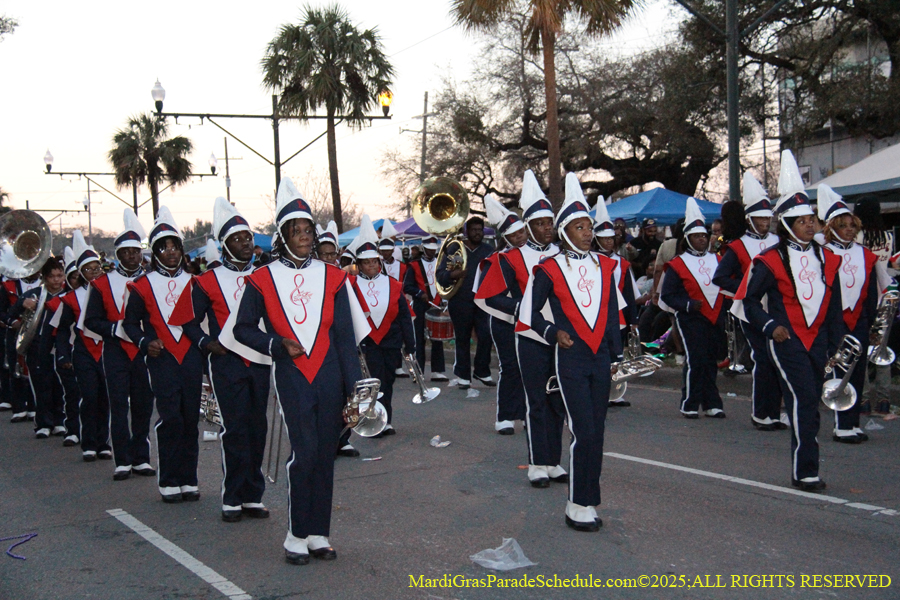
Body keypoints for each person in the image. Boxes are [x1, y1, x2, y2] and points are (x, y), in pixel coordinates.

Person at [233, 177, 369, 565]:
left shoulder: (334, 276)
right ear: (283, 236)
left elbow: (345, 338)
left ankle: (318, 533)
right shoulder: (261, 278)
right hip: (292, 373)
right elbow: (242, 329)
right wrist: (277, 345)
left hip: (330, 373)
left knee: (325, 454)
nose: (306, 236)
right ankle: (296, 533)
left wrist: (356, 389)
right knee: (305, 452)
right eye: (297, 230)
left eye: (309, 229)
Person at [733, 150, 843, 492]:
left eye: (811, 219)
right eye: (802, 220)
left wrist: (838, 345)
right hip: (787, 340)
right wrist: (770, 327)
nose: (810, 225)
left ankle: (807, 462)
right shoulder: (769, 260)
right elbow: (749, 301)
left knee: (811, 401)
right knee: (804, 398)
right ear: (788, 225)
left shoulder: (829, 258)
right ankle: (805, 470)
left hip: (818, 340)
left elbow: (834, 307)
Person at [519, 173, 621, 532]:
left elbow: (611, 314)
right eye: (580, 227)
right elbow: (529, 314)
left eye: (589, 227)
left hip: (600, 358)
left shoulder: (607, 265)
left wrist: (617, 356)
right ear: (564, 232)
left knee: (598, 432)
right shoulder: (548, 269)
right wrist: (553, 332)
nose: (588, 233)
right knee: (583, 431)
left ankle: (589, 500)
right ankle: (576, 504)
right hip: (571, 358)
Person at [170, 197, 273, 521]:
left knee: (258, 427)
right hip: (227, 364)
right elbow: (187, 321)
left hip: (260, 360)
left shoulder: (266, 275)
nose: (245, 243)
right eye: (237, 239)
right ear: (225, 245)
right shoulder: (205, 281)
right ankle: (232, 496)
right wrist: (206, 343)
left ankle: (253, 495)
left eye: (248, 237)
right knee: (235, 429)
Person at [123, 207, 203, 503]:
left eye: (175, 246)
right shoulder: (141, 285)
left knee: (190, 419)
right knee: (171, 419)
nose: (170, 252)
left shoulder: (196, 281)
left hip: (191, 357)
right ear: (155, 253)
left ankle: (189, 479)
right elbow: (129, 324)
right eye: (164, 247)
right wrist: (145, 342)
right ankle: (169, 479)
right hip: (162, 359)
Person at [84, 210, 156, 480]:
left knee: (143, 405)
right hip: (115, 350)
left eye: (135, 252)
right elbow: (91, 321)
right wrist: (115, 329)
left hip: (143, 350)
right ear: (118, 255)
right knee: (118, 405)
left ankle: (141, 458)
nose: (131, 256)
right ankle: (122, 460)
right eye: (126, 252)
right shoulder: (100, 284)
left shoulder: (150, 281)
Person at [713, 174, 782, 430]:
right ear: (750, 219)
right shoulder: (738, 246)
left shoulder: (778, 242)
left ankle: (774, 412)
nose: (765, 223)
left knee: (777, 359)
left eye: (767, 218)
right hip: (749, 310)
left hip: (777, 308)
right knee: (762, 358)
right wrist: (746, 288)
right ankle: (761, 413)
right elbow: (719, 278)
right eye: (760, 218)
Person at [511, 170, 566, 484]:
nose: (547, 228)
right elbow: (489, 297)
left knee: (558, 399)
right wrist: (521, 309)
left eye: (549, 222)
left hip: (561, 336)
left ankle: (554, 461)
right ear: (528, 226)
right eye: (540, 223)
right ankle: (536, 462)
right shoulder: (512, 257)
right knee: (536, 399)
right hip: (530, 336)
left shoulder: (564, 255)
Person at [818, 185, 883, 441]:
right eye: (843, 225)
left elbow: (871, 293)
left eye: (852, 225)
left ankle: (853, 422)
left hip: (859, 320)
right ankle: (841, 425)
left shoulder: (865, 254)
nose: (849, 230)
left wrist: (873, 324)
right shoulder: (822, 254)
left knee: (857, 371)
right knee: (840, 370)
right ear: (832, 227)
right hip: (834, 321)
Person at [347, 215, 415, 437]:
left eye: (374, 261)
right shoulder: (351, 285)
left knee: (388, 380)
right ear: (359, 265)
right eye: (366, 262)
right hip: (367, 342)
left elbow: (404, 316)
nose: (372, 266)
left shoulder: (393, 284)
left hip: (391, 340)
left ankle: (386, 419)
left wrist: (410, 344)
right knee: (373, 381)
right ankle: (373, 419)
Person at [660, 198, 726, 419]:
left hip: (714, 317)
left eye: (704, 236)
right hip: (691, 318)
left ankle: (712, 403)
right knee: (696, 360)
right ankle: (689, 402)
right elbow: (668, 295)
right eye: (697, 236)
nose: (702, 239)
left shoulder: (717, 259)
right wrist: (688, 304)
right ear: (688, 239)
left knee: (710, 361)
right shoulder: (678, 264)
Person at [474, 194, 528, 434]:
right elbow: (487, 295)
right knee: (510, 367)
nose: (520, 237)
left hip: (531, 320)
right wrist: (517, 306)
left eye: (522, 232)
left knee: (530, 367)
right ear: (505, 238)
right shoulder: (496, 259)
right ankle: (505, 416)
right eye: (515, 235)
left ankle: (527, 412)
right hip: (504, 320)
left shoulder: (537, 254)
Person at [53, 231, 109, 461]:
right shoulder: (70, 298)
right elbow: (62, 330)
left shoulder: (109, 292)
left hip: (106, 351)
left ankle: (103, 443)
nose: (94, 272)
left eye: (97, 268)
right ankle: (89, 443)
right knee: (89, 397)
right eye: (88, 269)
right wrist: (63, 355)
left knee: (105, 398)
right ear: (81, 273)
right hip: (84, 353)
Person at [10, 258, 67, 439]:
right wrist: (21, 310)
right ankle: (43, 423)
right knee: (41, 385)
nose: (56, 280)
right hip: (37, 346)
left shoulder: (69, 295)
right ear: (44, 277)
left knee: (60, 385)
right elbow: (10, 314)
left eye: (60, 275)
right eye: (52, 276)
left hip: (61, 347)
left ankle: (60, 421)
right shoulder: (34, 294)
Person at [436, 215, 495, 389]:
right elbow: (440, 275)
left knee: (486, 335)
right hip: (460, 301)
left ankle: (482, 371)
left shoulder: (488, 250)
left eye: (480, 230)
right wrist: (452, 275)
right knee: (462, 338)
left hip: (482, 301)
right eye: (474, 230)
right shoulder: (455, 248)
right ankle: (463, 376)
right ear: (467, 231)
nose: (477, 233)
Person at [594, 196, 639, 408]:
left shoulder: (622, 262)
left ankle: (616, 392)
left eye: (611, 238)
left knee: (616, 354)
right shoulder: (590, 260)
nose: (609, 242)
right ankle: (599, 392)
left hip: (618, 316)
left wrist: (633, 319)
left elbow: (628, 293)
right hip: (596, 314)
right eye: (604, 239)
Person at [403, 237, 447, 381]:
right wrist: (419, 293)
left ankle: (437, 370)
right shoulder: (414, 265)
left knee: (437, 337)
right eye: (429, 249)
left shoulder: (441, 263)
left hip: (437, 303)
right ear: (423, 248)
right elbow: (407, 286)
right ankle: (418, 370)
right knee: (419, 338)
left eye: (434, 249)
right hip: (421, 305)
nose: (432, 251)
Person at [1, 268, 42, 422]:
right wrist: (12, 321)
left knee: (35, 369)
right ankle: (19, 408)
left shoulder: (45, 285)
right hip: (16, 331)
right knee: (15, 368)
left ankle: (33, 407)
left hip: (37, 333)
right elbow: (2, 311)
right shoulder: (9, 285)